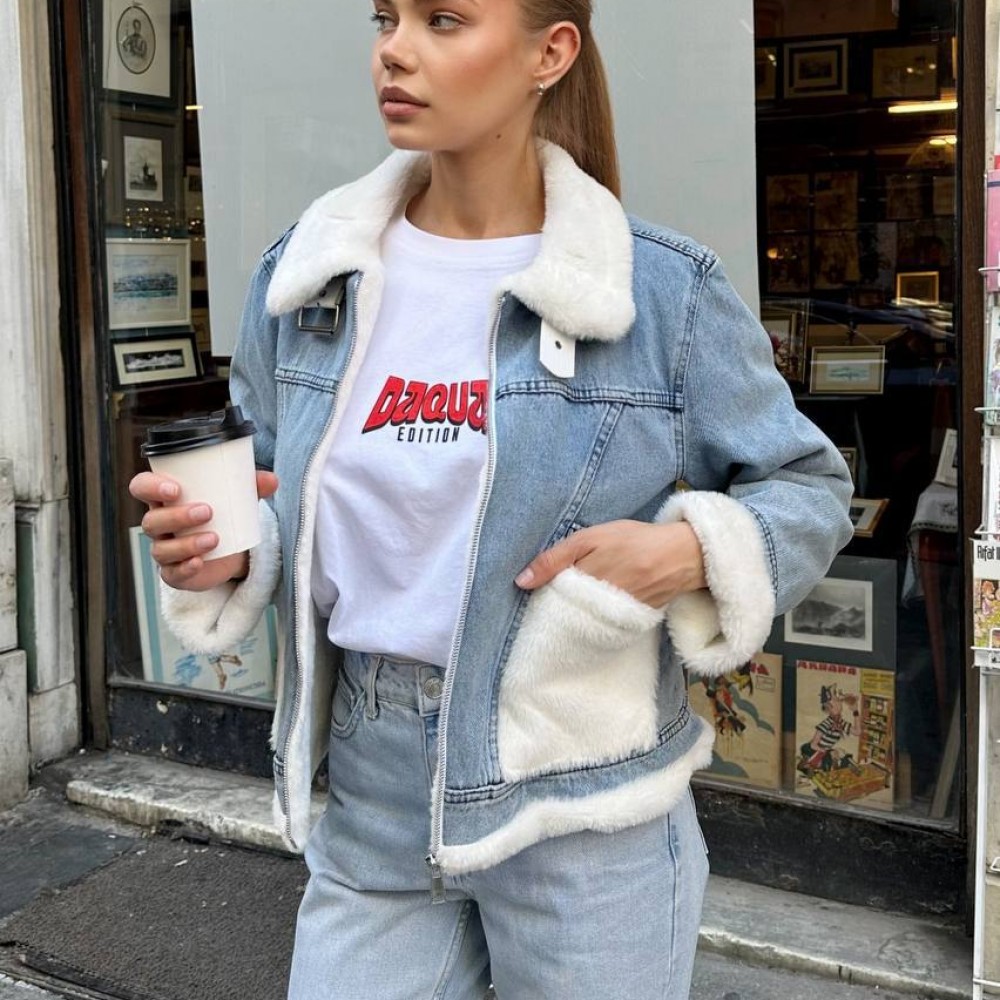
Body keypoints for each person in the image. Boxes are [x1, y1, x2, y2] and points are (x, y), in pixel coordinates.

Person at [130, 1, 853, 996]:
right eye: (385, 17)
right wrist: (220, 546)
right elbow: (268, 487)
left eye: (443, 19)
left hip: (578, 796)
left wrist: (686, 552)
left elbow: (809, 486)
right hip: (375, 785)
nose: (394, 49)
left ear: (549, 53)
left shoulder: (658, 290)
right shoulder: (312, 275)